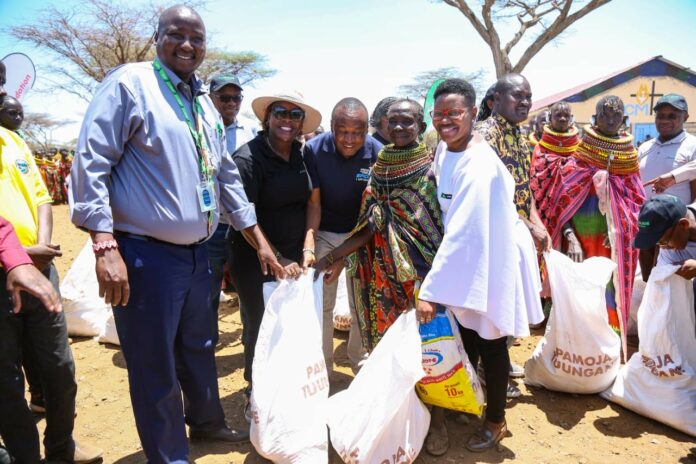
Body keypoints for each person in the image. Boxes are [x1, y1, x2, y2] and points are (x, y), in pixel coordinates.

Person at [69, 6, 283, 463]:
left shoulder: (201, 99)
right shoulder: (130, 84)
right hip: (145, 255)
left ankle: (206, 423)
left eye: (197, 38)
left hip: (199, 252)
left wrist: (257, 239)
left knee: (199, 344)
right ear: (157, 37)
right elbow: (91, 161)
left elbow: (224, 175)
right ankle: (169, 454)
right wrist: (104, 243)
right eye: (177, 34)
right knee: (154, 363)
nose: (188, 45)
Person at [417, 78, 543, 455]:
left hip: (491, 251)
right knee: (468, 334)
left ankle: (495, 421)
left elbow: (463, 232)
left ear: (474, 112)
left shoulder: (479, 164)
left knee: (490, 338)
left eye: (454, 113)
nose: (445, 121)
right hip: (471, 253)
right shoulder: (445, 146)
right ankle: (467, 401)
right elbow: (441, 180)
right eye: (438, 114)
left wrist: (429, 291)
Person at [0, 59, 102, 464]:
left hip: (40, 271)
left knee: (59, 367)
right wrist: (17, 260)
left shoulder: (14, 142)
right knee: (7, 381)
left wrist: (39, 249)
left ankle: (61, 449)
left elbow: (43, 198)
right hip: (5, 276)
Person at [314, 98, 444, 350]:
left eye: (406, 121)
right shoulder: (382, 163)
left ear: (421, 125)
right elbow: (372, 223)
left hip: (419, 273)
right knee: (389, 342)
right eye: (392, 121)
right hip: (380, 269)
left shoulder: (430, 170)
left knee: (423, 344)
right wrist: (333, 258)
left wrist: (428, 287)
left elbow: (434, 234)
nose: (398, 127)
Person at [228, 92, 322, 422]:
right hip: (256, 256)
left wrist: (308, 243)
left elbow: (312, 202)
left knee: (291, 323)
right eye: (280, 112)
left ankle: (286, 388)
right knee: (260, 324)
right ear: (267, 117)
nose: (287, 119)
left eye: (295, 115)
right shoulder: (248, 159)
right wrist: (277, 256)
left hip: (298, 256)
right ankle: (256, 392)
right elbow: (243, 218)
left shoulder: (303, 153)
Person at [550, 96, 645, 356]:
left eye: (617, 116)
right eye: (606, 115)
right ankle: (574, 346)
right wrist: (569, 235)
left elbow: (636, 204)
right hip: (579, 240)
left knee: (608, 289)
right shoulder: (579, 155)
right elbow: (562, 200)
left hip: (611, 243)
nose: (611, 120)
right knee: (578, 286)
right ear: (595, 118)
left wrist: (619, 234)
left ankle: (606, 350)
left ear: (624, 120)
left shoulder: (630, 157)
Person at [476, 73, 551, 390]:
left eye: (528, 97)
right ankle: (487, 370)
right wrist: (527, 223)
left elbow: (524, 187)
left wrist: (536, 220)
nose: (524, 102)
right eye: (517, 96)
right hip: (494, 235)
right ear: (494, 101)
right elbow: (491, 196)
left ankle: (500, 363)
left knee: (514, 302)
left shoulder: (520, 136)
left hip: (517, 231)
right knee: (495, 306)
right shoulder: (482, 137)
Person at [304, 97, 382, 373]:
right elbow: (313, 203)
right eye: (343, 131)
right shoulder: (313, 150)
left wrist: (344, 255)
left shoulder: (377, 154)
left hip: (361, 236)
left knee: (360, 303)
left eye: (357, 132)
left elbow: (375, 216)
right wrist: (311, 242)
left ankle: (358, 360)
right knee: (321, 304)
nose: (349, 139)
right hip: (325, 231)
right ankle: (322, 367)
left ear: (366, 130)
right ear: (332, 127)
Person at [206, 73, 257, 341]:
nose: (231, 103)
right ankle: (208, 339)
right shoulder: (199, 129)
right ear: (210, 98)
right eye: (224, 97)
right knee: (209, 285)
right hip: (211, 225)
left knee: (247, 286)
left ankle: (250, 340)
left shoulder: (250, 132)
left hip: (243, 226)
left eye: (236, 98)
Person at [530, 101, 581, 256]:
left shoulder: (580, 149)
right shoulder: (540, 149)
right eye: (558, 115)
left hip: (576, 215)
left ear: (571, 118)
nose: (562, 119)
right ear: (550, 118)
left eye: (566, 115)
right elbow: (536, 183)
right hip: (545, 214)